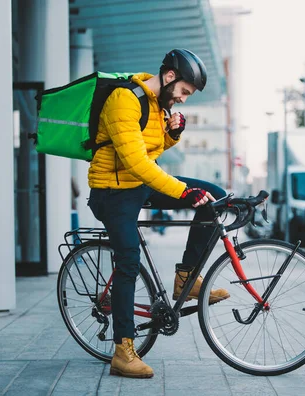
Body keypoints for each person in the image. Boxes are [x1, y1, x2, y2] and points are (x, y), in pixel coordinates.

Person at [87, 49, 230, 379]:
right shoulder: (124, 99)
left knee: (215, 198)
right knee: (127, 261)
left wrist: (171, 135)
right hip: (112, 190)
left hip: (139, 183)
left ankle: (186, 279)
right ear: (169, 77)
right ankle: (123, 351)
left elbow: (150, 151)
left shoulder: (157, 105)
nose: (182, 100)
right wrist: (182, 191)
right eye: (183, 92)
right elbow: (135, 161)